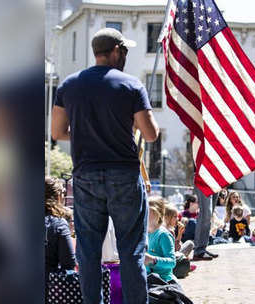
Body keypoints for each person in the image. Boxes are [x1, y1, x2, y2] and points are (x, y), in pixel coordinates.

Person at [51, 27, 159, 304]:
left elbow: (58, 132)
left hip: (86, 175)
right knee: (131, 250)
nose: (125, 56)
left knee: (88, 251)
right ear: (115, 52)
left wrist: (85, 132)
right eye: (124, 51)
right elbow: (150, 134)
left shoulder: (68, 86)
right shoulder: (132, 85)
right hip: (123, 173)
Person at [45, 177, 76, 275]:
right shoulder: (58, 224)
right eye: (63, 193)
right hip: (49, 286)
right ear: (58, 196)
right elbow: (68, 264)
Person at [146, 198, 178, 284]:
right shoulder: (144, 233)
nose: (143, 212)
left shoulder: (163, 235)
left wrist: (153, 260)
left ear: (158, 214)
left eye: (147, 210)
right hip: (147, 277)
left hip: (163, 280)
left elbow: (172, 262)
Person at [192, 188, 219, 261]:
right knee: (205, 214)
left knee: (209, 215)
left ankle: (202, 249)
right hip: (204, 179)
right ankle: (199, 251)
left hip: (216, 180)